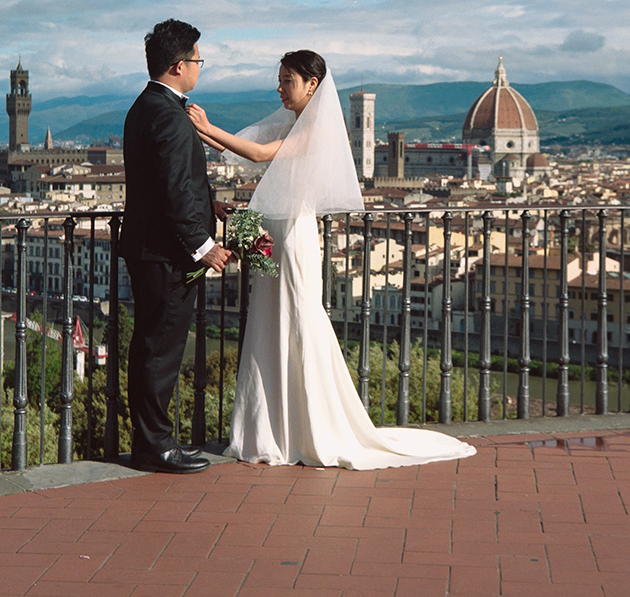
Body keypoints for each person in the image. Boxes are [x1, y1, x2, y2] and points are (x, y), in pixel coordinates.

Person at [186, 51, 476, 469]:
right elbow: (243, 148)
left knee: (298, 320)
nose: (280, 87)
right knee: (272, 320)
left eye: (288, 80)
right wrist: (201, 131)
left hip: (294, 237)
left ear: (312, 86)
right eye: (280, 80)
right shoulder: (291, 121)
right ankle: (275, 429)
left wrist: (207, 127)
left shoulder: (315, 128)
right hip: (276, 232)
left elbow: (260, 155)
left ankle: (301, 429)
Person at [121, 19, 233, 474]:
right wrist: (204, 247)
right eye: (198, 60)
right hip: (165, 253)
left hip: (150, 248)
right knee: (161, 348)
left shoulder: (145, 107)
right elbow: (171, 189)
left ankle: (153, 439)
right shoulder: (167, 114)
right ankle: (156, 446)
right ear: (178, 64)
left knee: (151, 344)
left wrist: (212, 204)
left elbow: (171, 182)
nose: (199, 68)